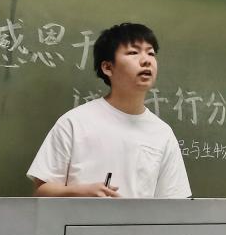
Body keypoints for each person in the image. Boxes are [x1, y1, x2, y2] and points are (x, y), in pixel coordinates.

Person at [28, 22, 191, 198]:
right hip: (77, 217)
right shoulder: (74, 122)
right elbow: (41, 191)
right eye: (133, 52)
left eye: (151, 53)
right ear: (107, 67)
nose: (146, 60)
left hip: (138, 218)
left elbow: (173, 203)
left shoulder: (162, 133)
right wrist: (82, 192)